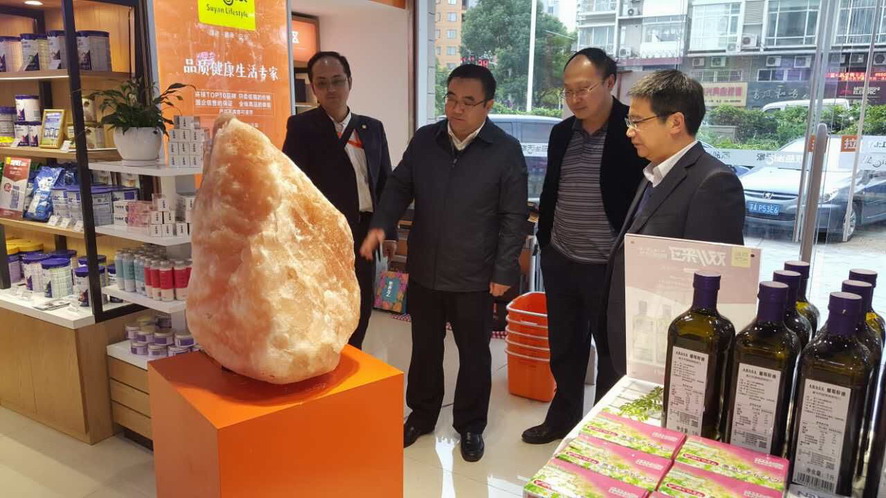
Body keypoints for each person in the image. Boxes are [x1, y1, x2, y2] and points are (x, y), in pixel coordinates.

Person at [360, 64, 528, 463]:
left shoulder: (504, 150)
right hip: (425, 268)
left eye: (468, 102)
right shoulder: (426, 140)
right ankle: (421, 414)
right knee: (424, 347)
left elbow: (513, 216)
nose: (456, 108)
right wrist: (382, 224)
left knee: (474, 353)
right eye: (451, 98)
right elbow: (399, 185)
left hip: (475, 273)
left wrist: (503, 270)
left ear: (488, 105)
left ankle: (470, 425)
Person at [522, 48, 647, 445]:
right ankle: (562, 418)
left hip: (609, 265)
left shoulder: (633, 131)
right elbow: (552, 190)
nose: (575, 98)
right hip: (562, 259)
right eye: (568, 90)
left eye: (584, 89)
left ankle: (601, 431)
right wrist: (546, 242)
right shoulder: (562, 133)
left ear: (611, 83)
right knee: (564, 348)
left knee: (611, 354)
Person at [603, 69, 745, 385]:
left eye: (638, 121)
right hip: (639, 335)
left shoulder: (713, 183)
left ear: (676, 122)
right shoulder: (653, 173)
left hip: (672, 349)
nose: (629, 132)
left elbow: (713, 288)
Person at [282, 51, 397, 350]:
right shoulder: (301, 127)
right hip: (324, 235)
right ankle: (331, 356)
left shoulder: (372, 127)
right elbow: (292, 186)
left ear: (349, 82)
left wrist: (389, 232)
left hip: (365, 231)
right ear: (313, 87)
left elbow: (385, 183)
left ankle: (354, 355)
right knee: (328, 301)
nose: (331, 89)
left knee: (361, 301)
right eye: (322, 83)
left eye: (337, 81)